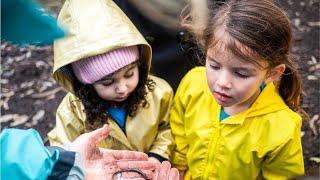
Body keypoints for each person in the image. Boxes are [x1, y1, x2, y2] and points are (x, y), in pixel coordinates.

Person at [169, 0, 308, 179]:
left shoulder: (282, 128)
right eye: (214, 65)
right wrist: (178, 167)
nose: (223, 82)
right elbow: (178, 129)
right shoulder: (193, 83)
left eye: (241, 74)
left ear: (272, 73)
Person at [48, 0, 174, 167]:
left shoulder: (159, 92)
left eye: (130, 74)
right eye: (107, 83)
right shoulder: (72, 113)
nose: (122, 89)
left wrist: (157, 156)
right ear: (87, 84)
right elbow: (64, 153)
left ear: (140, 65)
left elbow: (168, 127)